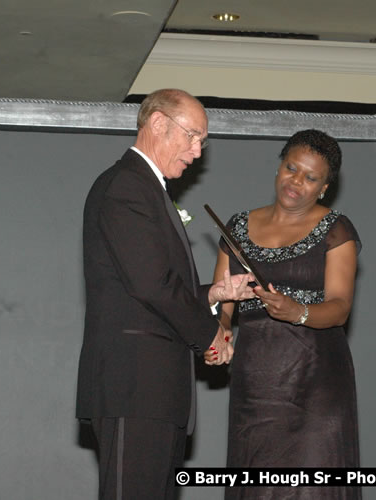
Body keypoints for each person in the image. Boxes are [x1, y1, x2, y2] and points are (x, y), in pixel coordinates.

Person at [76, 88, 255, 500]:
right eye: (192, 137)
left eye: (203, 143)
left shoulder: (147, 188)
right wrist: (211, 334)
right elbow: (151, 286)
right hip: (134, 387)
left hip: (153, 392)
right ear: (158, 123)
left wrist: (213, 294)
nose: (197, 152)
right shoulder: (127, 186)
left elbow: (150, 283)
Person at [211, 129, 361, 499]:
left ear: (324, 188)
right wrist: (221, 331)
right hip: (256, 384)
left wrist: (300, 312)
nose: (297, 181)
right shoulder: (237, 227)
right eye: (292, 168)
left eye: (311, 178)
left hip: (316, 385)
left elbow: (340, 307)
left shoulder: (336, 229)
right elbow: (224, 304)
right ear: (279, 167)